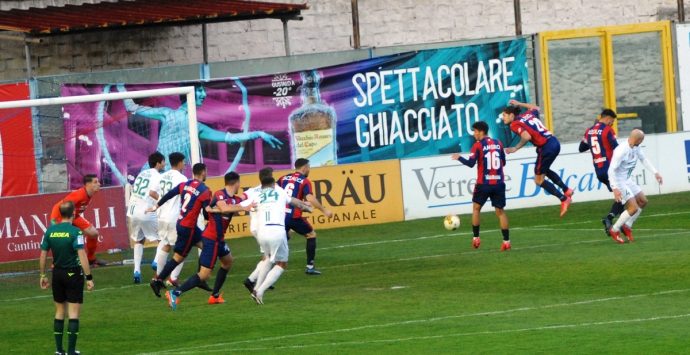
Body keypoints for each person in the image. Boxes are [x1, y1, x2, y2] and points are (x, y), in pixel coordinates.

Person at [116, 84, 283, 174]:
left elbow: (230, 138)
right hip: (152, 171)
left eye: (204, 91)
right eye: (200, 91)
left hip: (173, 176)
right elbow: (131, 107)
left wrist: (258, 134)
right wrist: (119, 85)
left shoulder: (198, 127)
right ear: (189, 93)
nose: (204, 95)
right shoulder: (166, 114)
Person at [164, 172, 252, 310]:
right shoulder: (219, 195)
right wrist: (243, 207)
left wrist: (256, 192)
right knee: (204, 274)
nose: (240, 186)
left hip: (219, 239)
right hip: (211, 238)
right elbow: (224, 208)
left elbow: (242, 198)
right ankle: (174, 293)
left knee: (228, 262)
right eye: (239, 183)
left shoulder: (233, 199)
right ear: (236, 183)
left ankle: (214, 296)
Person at [244, 172, 312, 305]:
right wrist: (306, 207)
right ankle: (259, 291)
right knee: (281, 263)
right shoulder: (280, 192)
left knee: (268, 258)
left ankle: (256, 287)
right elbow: (295, 202)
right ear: (273, 185)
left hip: (261, 232)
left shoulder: (256, 195)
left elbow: (240, 204)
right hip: (276, 231)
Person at [147, 163, 212, 298]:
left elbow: (170, 194)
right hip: (188, 228)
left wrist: (156, 206)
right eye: (206, 171)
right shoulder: (205, 190)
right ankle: (157, 280)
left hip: (183, 224)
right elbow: (207, 214)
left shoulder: (186, 184)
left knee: (207, 246)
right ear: (203, 172)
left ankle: (201, 279)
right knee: (178, 258)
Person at [39, 201, 95, 355]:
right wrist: (89, 277)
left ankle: (59, 350)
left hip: (56, 274)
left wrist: (43, 275)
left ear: (60, 214)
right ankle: (71, 351)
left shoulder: (49, 231)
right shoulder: (75, 232)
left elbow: (43, 254)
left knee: (59, 311)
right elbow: (82, 255)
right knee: (74, 313)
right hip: (72, 274)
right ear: (73, 214)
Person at [502, 99, 574, 217]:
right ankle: (566, 190)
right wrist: (519, 103)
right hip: (554, 142)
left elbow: (526, 136)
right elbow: (536, 108)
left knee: (538, 180)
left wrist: (515, 148)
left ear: (511, 115)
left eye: (504, 115)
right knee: (545, 170)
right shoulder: (528, 114)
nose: (503, 118)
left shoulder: (514, 124)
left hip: (546, 147)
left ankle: (563, 198)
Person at [451, 121, 511, 251]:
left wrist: (459, 158)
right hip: (499, 183)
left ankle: (476, 238)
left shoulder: (477, 145)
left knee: (476, 209)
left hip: (483, 184)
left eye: (475, 131)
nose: (474, 134)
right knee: (500, 212)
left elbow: (471, 163)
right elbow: (503, 162)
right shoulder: (498, 143)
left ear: (481, 131)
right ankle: (506, 241)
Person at [277, 158, 333, 275]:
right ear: (304, 168)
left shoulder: (283, 178)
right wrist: (324, 210)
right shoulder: (304, 181)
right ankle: (310, 267)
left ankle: (267, 269)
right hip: (293, 216)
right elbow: (310, 198)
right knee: (311, 234)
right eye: (309, 167)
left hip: (280, 215)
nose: (309, 169)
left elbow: (274, 193)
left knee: (283, 239)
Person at [607, 129, 663, 243]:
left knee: (643, 201)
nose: (642, 141)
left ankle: (626, 226)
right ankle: (614, 229)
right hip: (619, 182)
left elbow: (643, 159)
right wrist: (615, 188)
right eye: (642, 139)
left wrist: (655, 172)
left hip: (627, 180)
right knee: (633, 208)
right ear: (638, 139)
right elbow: (610, 170)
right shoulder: (621, 150)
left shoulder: (636, 147)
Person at [578, 109, 625, 236]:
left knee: (620, 197)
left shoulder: (589, 131)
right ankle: (609, 219)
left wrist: (593, 141)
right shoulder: (607, 130)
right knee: (624, 197)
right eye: (612, 121)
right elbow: (616, 148)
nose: (612, 124)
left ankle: (623, 227)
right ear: (608, 118)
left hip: (599, 171)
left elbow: (581, 148)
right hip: (610, 169)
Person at [49, 174, 104, 267]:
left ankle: (91, 259)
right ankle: (56, 264)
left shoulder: (89, 194)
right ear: (88, 184)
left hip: (73, 216)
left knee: (94, 233)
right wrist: (57, 222)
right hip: (60, 215)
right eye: (95, 182)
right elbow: (64, 206)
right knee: (64, 239)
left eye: (98, 182)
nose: (99, 184)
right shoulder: (79, 194)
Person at [127, 152, 165, 284]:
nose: (164, 164)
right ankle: (156, 261)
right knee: (163, 238)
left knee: (139, 240)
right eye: (163, 161)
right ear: (159, 163)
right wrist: (164, 201)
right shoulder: (158, 176)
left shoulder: (142, 174)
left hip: (132, 211)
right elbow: (153, 193)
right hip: (146, 210)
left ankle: (136, 271)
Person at [152, 152, 188, 287]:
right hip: (174, 217)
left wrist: (163, 203)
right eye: (183, 162)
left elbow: (152, 192)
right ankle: (173, 278)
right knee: (183, 248)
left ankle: (158, 277)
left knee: (165, 245)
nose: (184, 165)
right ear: (179, 163)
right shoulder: (182, 178)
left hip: (161, 216)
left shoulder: (162, 176)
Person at [242, 167, 276, 293]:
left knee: (267, 256)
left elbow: (241, 198)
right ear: (270, 177)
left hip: (255, 227)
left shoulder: (252, 191)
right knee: (270, 257)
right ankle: (253, 282)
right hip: (264, 228)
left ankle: (256, 279)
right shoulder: (273, 191)